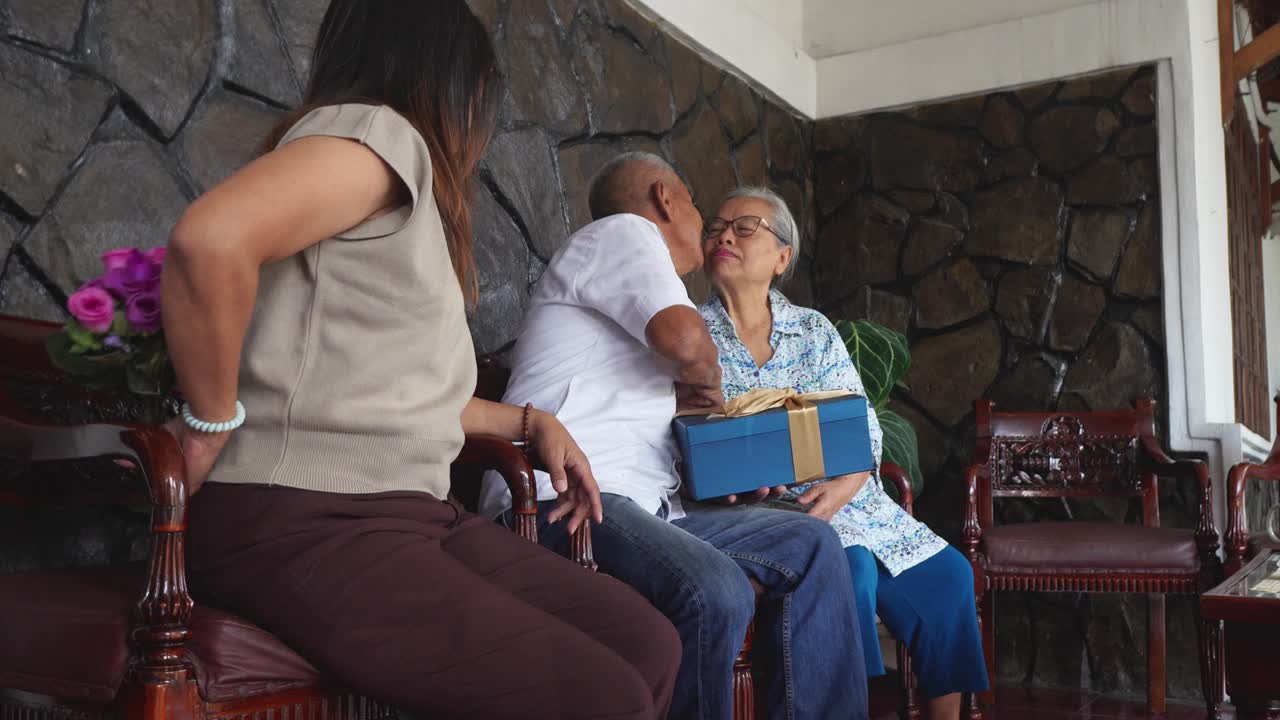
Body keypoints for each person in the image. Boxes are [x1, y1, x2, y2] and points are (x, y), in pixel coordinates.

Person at [159, 3, 680, 718]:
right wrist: (208, 423)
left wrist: (532, 423)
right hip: (304, 520)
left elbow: (405, 394)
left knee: (647, 642)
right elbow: (209, 242)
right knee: (603, 696)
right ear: (446, 80)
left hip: (407, 516)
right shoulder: (380, 136)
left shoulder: (388, 183)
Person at [478, 152, 868, 720]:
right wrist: (709, 387)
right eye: (696, 208)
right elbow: (689, 345)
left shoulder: (626, 297)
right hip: (555, 503)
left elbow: (648, 420)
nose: (705, 227)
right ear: (666, 198)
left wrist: (723, 480)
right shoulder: (624, 234)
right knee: (716, 589)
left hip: (642, 511)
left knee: (811, 544)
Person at [698, 186, 989, 720]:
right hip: (766, 513)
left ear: (782, 257)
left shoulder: (813, 330)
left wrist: (850, 482)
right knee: (849, 570)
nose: (723, 235)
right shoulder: (692, 335)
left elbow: (860, 420)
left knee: (950, 575)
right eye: (715, 226)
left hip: (852, 498)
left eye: (744, 227)